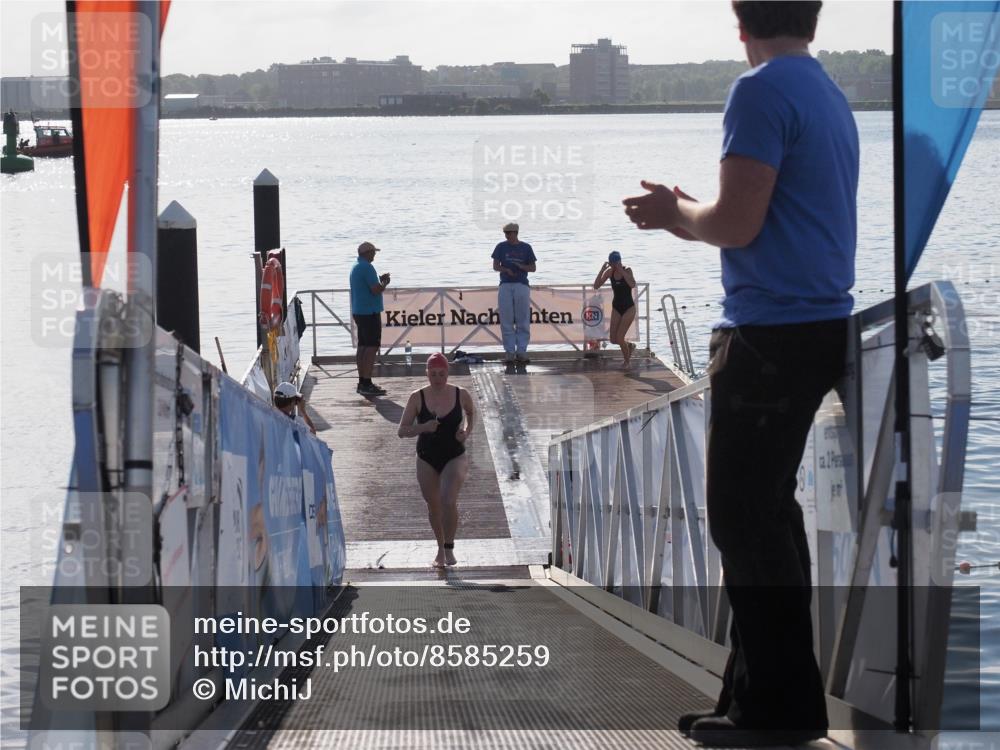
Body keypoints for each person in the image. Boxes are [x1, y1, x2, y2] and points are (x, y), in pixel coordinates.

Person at [622, 2, 857, 746]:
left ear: (740, 24)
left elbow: (735, 224)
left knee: (742, 521)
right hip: (817, 325)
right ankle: (758, 700)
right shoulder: (825, 90)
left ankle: (777, 714)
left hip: (769, 334)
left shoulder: (760, 90)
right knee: (769, 518)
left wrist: (674, 211)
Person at [397, 353, 475, 567]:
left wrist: (466, 431)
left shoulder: (461, 394)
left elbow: (471, 413)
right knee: (434, 506)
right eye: (433, 374)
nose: (438, 379)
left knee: (448, 500)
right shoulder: (417, 397)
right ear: (427, 374)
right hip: (426, 457)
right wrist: (423, 427)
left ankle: (449, 547)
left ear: (448, 373)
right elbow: (402, 431)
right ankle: (440, 548)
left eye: (441, 374)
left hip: (454, 454)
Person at [491, 222, 537, 364]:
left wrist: (521, 266)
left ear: (516, 233)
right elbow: (495, 266)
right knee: (506, 319)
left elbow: (533, 268)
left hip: (521, 284)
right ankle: (510, 352)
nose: (507, 236)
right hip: (505, 284)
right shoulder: (501, 246)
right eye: (505, 233)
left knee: (523, 319)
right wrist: (506, 270)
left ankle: (521, 351)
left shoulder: (526, 247)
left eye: (509, 233)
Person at [349, 241, 390, 396]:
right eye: (373, 252)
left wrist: (379, 283)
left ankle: (362, 382)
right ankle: (366, 382)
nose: (374, 255)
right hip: (369, 312)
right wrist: (384, 283)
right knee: (371, 347)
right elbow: (375, 290)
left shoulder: (356, 266)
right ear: (367, 253)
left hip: (359, 311)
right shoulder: (367, 267)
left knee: (363, 346)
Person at [592, 251, 638, 368]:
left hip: (629, 308)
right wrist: (602, 270)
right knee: (613, 339)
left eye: (615, 263)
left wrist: (622, 271)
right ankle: (629, 346)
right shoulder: (610, 272)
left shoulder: (627, 270)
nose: (613, 266)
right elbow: (596, 286)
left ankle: (627, 362)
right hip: (617, 307)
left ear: (619, 262)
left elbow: (632, 284)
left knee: (620, 338)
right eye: (611, 264)